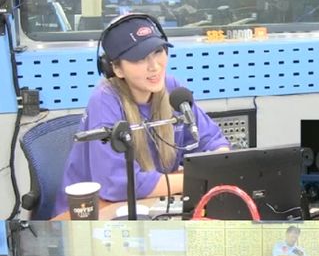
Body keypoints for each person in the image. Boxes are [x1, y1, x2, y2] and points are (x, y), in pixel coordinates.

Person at [55, 14, 229, 213]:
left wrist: (219, 163)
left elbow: (212, 141)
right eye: (139, 58)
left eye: (158, 51)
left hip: (154, 203)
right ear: (116, 69)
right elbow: (119, 185)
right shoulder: (104, 101)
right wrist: (199, 178)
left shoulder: (172, 89)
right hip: (91, 212)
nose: (154, 66)